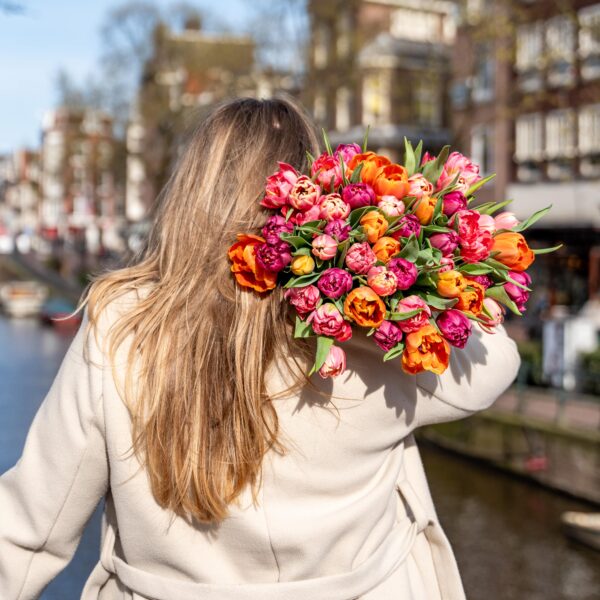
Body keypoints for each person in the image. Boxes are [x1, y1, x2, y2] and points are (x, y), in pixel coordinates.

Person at [0, 97, 521, 600]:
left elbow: (28, 531)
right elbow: (495, 361)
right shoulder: (367, 339)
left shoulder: (122, 328)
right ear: (315, 195)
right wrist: (404, 271)